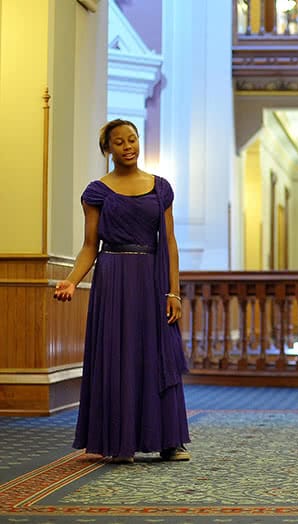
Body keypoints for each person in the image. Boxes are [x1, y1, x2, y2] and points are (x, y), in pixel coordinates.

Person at [53, 119, 191, 464]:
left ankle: (170, 440)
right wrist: (71, 279)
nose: (128, 146)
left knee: (159, 353)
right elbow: (89, 246)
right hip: (112, 278)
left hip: (151, 278)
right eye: (119, 142)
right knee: (118, 355)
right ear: (108, 149)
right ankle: (119, 440)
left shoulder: (161, 189)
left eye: (132, 139)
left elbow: (170, 243)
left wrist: (174, 292)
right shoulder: (96, 192)